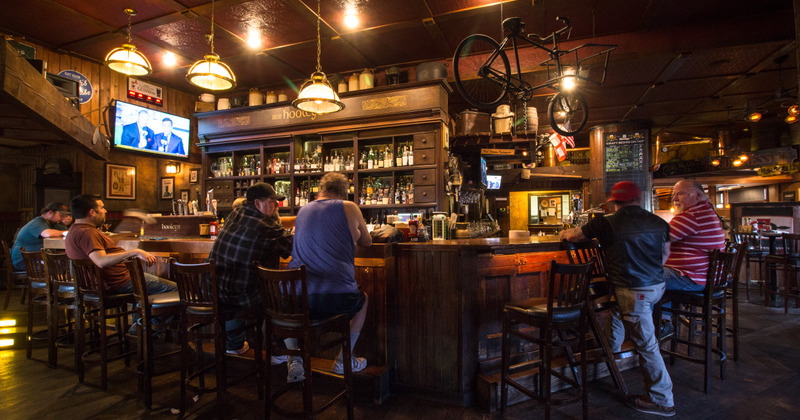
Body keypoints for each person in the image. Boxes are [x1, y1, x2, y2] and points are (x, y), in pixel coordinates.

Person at [560, 181, 675, 417]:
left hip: (634, 289)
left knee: (646, 344)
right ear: (638, 199)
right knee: (619, 309)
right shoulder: (660, 222)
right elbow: (665, 255)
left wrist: (563, 232)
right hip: (657, 286)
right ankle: (610, 349)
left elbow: (574, 235)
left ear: (614, 202)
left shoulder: (607, 222)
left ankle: (662, 400)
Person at [287, 172, 372, 382]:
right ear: (343, 192)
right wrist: (356, 234)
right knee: (364, 300)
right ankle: (343, 360)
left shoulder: (303, 209)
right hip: (335, 299)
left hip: (296, 298)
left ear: (320, 189)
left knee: (285, 308)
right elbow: (367, 242)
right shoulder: (349, 207)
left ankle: (294, 361)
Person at [207, 182, 293, 356]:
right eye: (273, 202)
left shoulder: (236, 213)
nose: (277, 205)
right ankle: (278, 351)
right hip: (241, 296)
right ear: (257, 203)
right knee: (284, 298)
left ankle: (234, 343)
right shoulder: (264, 225)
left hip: (215, 291)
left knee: (245, 283)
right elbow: (292, 247)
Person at [64, 194, 176, 296]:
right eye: (102, 208)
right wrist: (136, 252)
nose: (105, 211)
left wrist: (126, 226)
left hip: (99, 284)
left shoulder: (74, 231)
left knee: (147, 291)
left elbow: (105, 248)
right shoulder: (88, 233)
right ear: (92, 212)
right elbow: (101, 261)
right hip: (117, 283)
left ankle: (142, 317)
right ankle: (149, 318)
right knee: (175, 289)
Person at [663, 179, 726, 294]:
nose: (674, 199)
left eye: (680, 194)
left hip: (692, 278)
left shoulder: (692, 215)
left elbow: (657, 239)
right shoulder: (706, 211)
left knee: (638, 276)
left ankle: (644, 312)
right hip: (706, 277)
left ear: (698, 195)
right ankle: (665, 312)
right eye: (674, 195)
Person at [11, 202, 69, 271]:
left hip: (37, 259)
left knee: (65, 264)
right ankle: (49, 282)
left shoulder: (53, 224)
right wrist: (66, 233)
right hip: (23, 261)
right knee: (60, 266)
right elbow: (47, 234)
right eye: (61, 215)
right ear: (50, 212)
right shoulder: (36, 223)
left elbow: (70, 231)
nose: (62, 218)